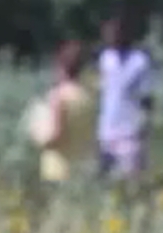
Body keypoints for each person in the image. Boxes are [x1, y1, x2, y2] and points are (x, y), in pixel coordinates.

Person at [25, 40, 98, 184]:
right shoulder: (89, 96)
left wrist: (35, 132)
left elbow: (55, 137)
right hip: (84, 168)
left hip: (59, 170)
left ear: (60, 67)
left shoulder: (58, 98)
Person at [95, 15, 154, 179]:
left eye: (115, 34)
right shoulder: (105, 59)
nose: (111, 38)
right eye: (108, 34)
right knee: (105, 180)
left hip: (130, 132)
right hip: (106, 132)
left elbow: (147, 99)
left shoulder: (139, 62)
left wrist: (145, 130)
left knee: (130, 180)